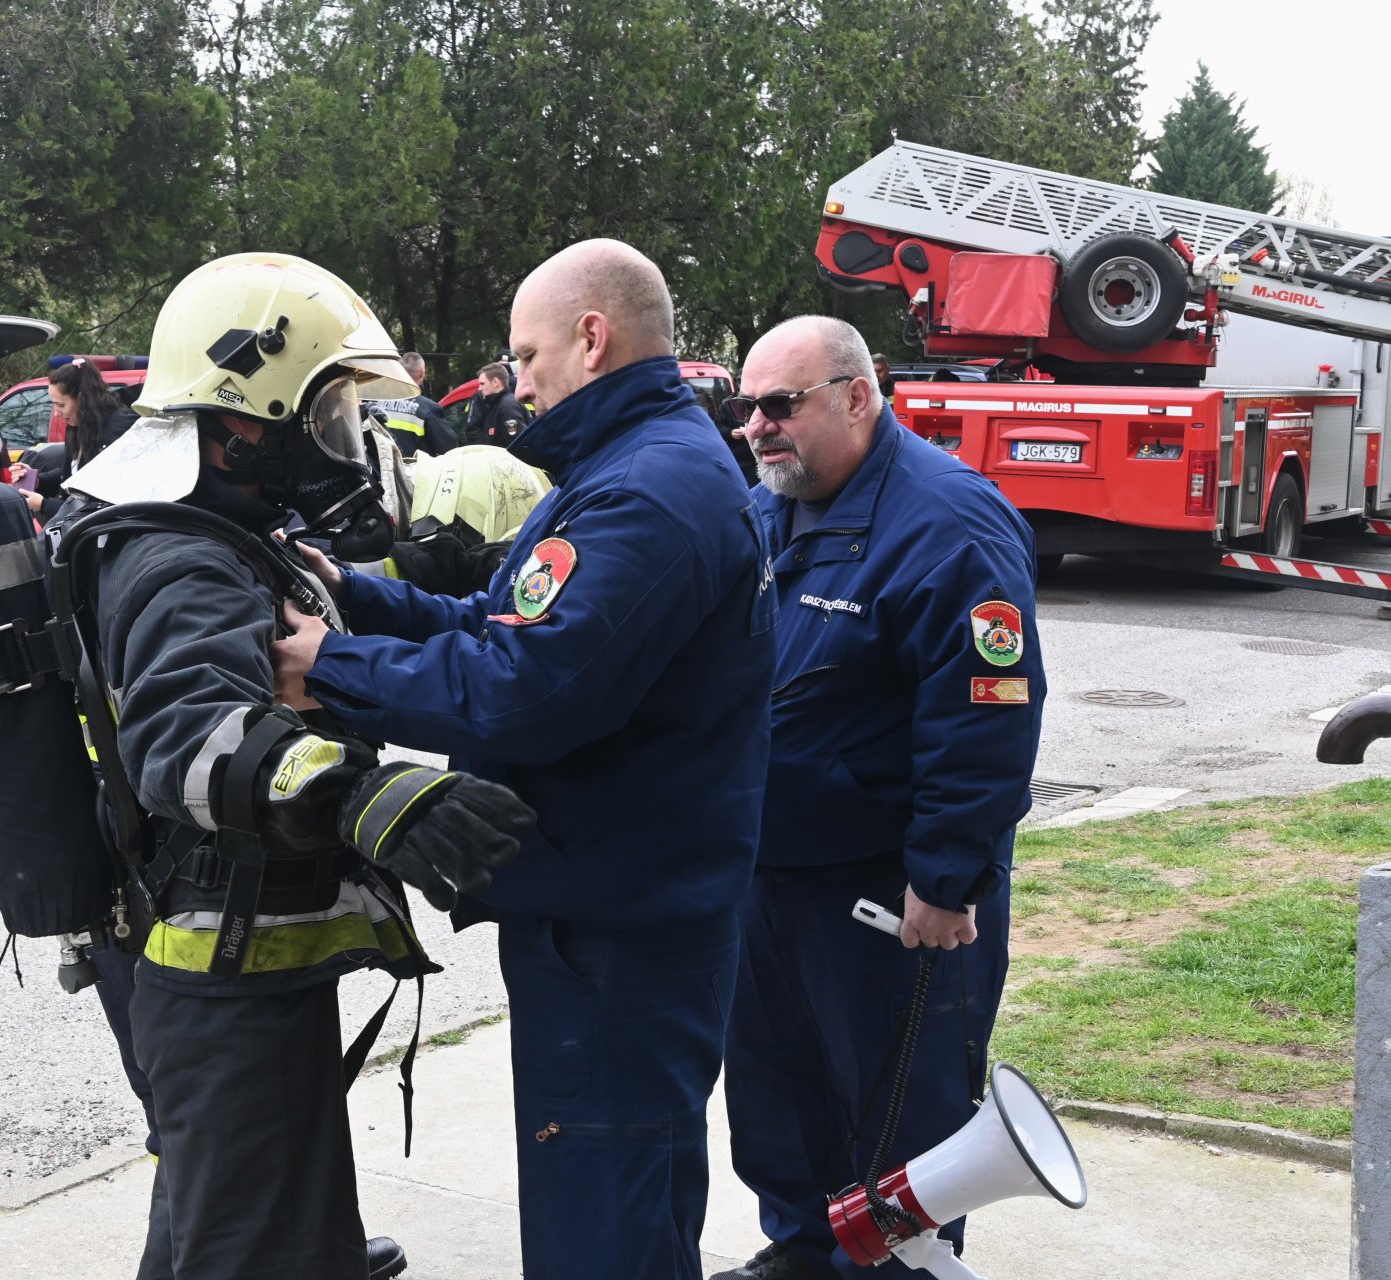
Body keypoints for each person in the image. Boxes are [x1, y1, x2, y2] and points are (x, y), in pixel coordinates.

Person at [270, 238, 775, 1280]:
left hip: (620, 926)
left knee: (605, 1216)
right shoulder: (627, 468)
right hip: (611, 906)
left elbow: (525, 687)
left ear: (592, 338)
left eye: (525, 352)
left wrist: (335, 668)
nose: (516, 378)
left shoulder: (648, 491)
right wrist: (355, 595)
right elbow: (501, 619)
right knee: (617, 1191)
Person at [57, 251, 532, 1280]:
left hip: (225, 956)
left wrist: (418, 579)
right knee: (252, 1244)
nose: (341, 443)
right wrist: (369, 795)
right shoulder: (180, 555)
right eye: (323, 417)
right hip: (216, 971)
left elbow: (296, 611)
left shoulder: (213, 528)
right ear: (243, 419)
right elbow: (188, 738)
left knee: (214, 1209)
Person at [710, 316, 1046, 1280]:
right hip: (772, 876)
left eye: (782, 406)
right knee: (781, 1097)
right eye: (747, 409)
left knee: (900, 1117)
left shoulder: (948, 522)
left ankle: (903, 1270)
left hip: (891, 895)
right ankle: (804, 1252)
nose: (759, 429)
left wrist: (947, 876)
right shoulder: (771, 507)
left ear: (860, 394)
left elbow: (987, 715)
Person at [11, 356, 138, 518]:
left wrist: (44, 505)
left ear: (81, 399)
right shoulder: (79, 427)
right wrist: (37, 480)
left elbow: (99, 502)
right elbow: (72, 476)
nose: (57, 412)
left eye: (61, 405)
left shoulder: (116, 432)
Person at [364, 351, 459, 458]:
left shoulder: (374, 404)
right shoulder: (427, 409)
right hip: (415, 472)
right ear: (422, 372)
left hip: (383, 470)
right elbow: (449, 448)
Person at [463, 360, 527, 446]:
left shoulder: (508, 407)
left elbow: (517, 446)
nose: (479, 389)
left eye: (482, 384)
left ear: (495, 382)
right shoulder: (496, 404)